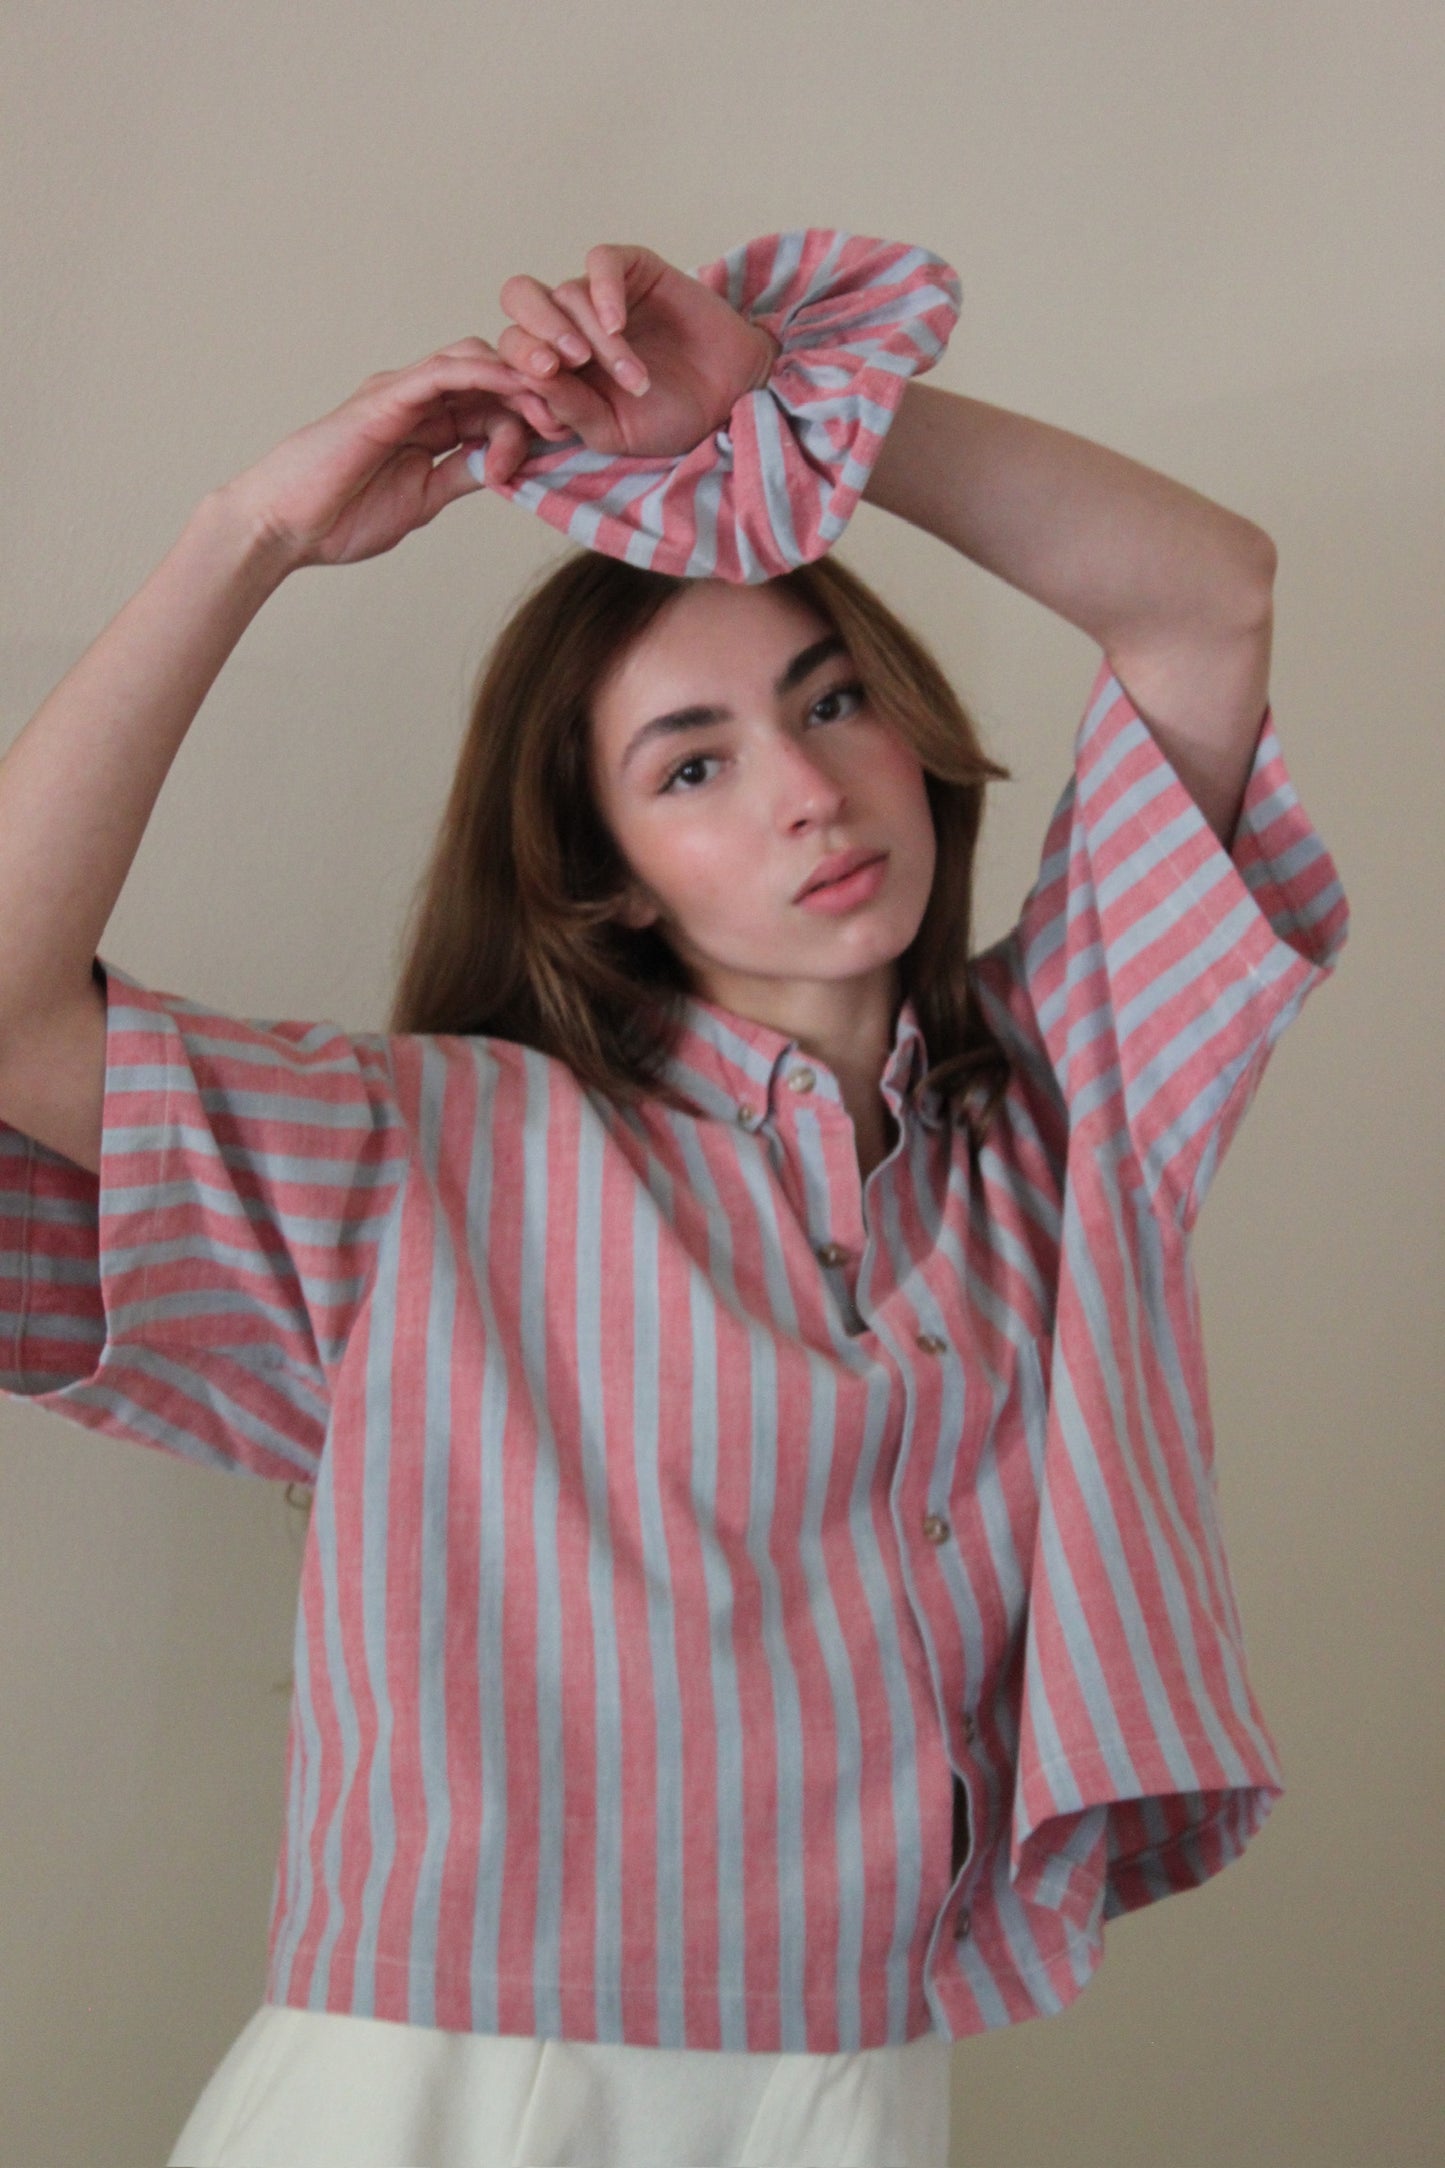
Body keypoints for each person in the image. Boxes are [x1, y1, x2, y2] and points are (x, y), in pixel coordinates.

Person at [0, 229, 1350, 2167]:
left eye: (828, 700)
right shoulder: (433, 1154)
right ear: (611, 869)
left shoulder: (1062, 1108)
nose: (806, 789)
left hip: (854, 2076)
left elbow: (1209, 596)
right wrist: (249, 534)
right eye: (694, 765)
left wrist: (789, 420)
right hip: (456, 2081)